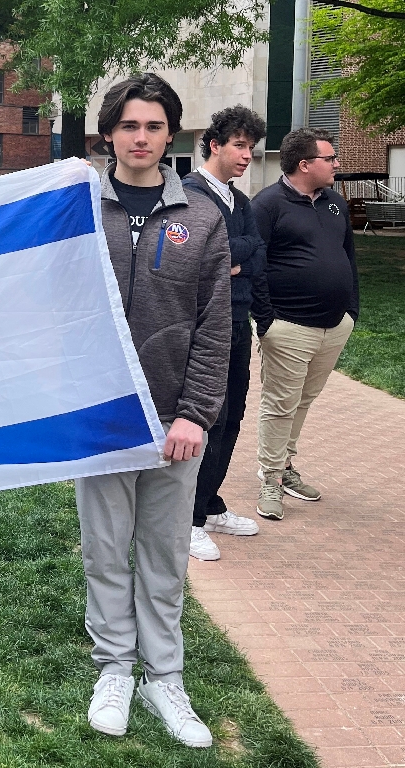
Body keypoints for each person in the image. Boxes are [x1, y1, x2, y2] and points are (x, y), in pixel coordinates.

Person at [77, 74, 230, 748]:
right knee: (107, 552)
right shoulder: (74, 209)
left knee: (164, 553)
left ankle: (163, 674)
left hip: (175, 421)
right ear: (108, 133)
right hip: (101, 420)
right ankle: (113, 665)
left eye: (154, 126)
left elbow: (215, 325)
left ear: (173, 135)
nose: (141, 138)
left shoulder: (202, 219)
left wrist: (195, 413)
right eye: (129, 126)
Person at [251, 128, 358, 520]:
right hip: (288, 327)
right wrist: (266, 322)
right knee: (280, 405)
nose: (336, 164)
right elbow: (253, 267)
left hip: (335, 326)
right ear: (305, 164)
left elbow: (348, 257)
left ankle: (285, 464)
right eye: (330, 159)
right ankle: (270, 478)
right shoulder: (267, 205)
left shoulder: (335, 203)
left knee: (303, 401)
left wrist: (352, 310)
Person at [182, 106, 270, 560]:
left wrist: (236, 258)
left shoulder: (241, 201)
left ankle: (210, 503)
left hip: (239, 324)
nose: (246, 156)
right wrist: (232, 258)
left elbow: (256, 254)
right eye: (239, 145)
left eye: (251, 148)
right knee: (207, 421)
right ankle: (188, 519)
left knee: (232, 417)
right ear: (214, 145)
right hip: (204, 327)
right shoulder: (192, 196)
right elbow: (202, 257)